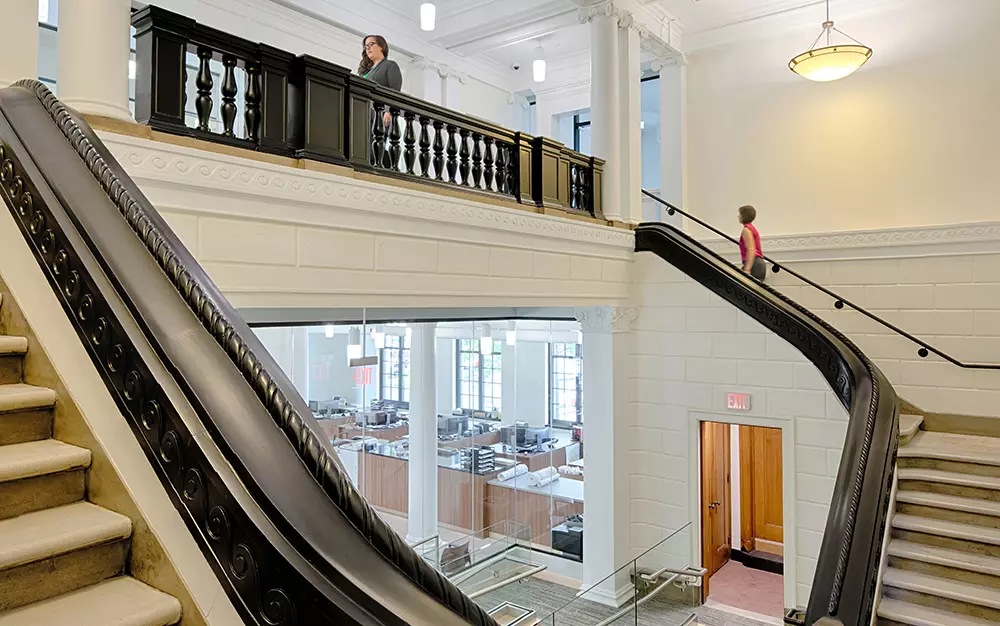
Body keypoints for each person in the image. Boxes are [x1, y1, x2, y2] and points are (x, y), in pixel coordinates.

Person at [738, 204, 767, 281]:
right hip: (757, 263)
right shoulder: (751, 228)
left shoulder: (746, 230)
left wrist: (747, 269)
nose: (738, 216)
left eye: (740, 214)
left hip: (754, 264)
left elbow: (751, 249)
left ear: (744, 216)